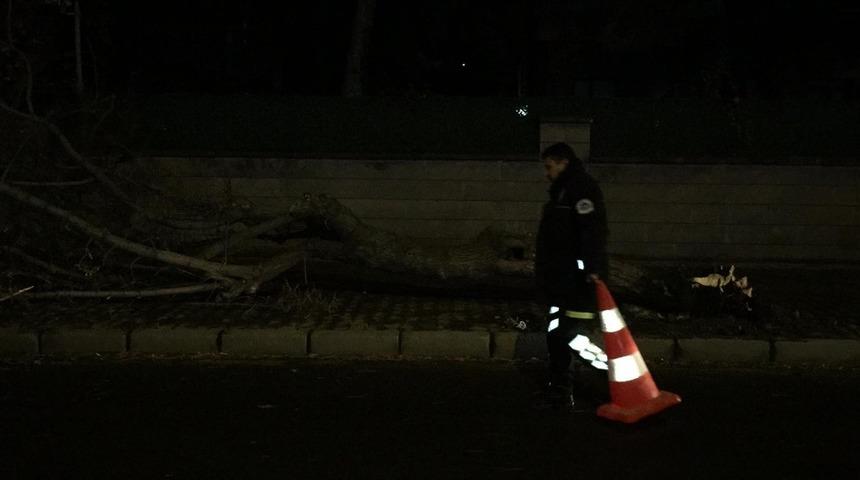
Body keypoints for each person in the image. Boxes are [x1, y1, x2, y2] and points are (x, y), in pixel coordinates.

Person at [533, 142, 610, 410]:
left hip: (577, 282)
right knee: (555, 333)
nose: (547, 173)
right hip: (560, 281)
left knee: (571, 335)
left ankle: (615, 375)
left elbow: (592, 231)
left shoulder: (581, 188)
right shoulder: (563, 191)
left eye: (549, 166)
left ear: (563, 162)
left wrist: (590, 269)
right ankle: (560, 390)